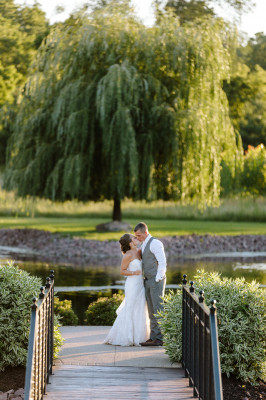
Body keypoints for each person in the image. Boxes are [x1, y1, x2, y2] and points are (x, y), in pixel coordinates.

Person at [104, 233, 150, 346]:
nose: (136, 238)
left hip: (140, 284)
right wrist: (134, 272)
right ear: (130, 242)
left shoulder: (139, 251)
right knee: (130, 307)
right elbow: (122, 271)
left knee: (140, 306)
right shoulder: (128, 255)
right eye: (134, 238)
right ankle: (127, 336)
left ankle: (141, 336)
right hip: (132, 284)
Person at [134, 222, 166, 346]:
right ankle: (153, 337)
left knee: (158, 308)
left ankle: (160, 338)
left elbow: (162, 263)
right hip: (147, 280)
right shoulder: (144, 243)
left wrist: (157, 279)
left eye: (139, 235)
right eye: (135, 236)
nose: (137, 238)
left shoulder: (155, 243)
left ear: (145, 233)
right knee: (151, 310)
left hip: (155, 280)